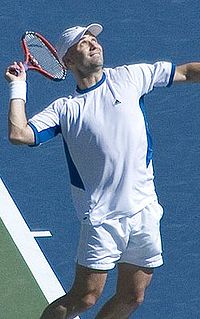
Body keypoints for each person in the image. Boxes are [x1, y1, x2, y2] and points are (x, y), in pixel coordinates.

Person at [5, 22, 200, 319]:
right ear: (67, 61)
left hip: (145, 209)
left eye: (93, 39)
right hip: (102, 219)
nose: (93, 44)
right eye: (82, 43)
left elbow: (186, 71)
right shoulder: (64, 109)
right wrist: (18, 86)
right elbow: (19, 134)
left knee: (133, 296)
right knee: (85, 297)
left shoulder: (130, 77)